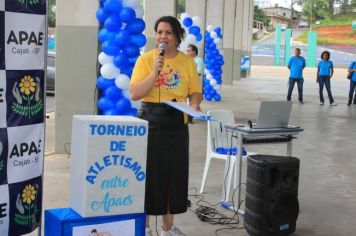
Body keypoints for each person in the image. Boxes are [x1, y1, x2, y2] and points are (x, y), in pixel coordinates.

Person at [130, 16, 202, 236]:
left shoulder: (187, 62)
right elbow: (135, 93)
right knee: (151, 174)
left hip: (178, 120)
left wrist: (195, 105)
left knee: (173, 175)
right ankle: (146, 228)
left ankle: (167, 228)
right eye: (160, 32)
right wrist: (154, 71)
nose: (163, 36)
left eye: (168, 32)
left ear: (177, 36)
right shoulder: (146, 59)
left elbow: (195, 91)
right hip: (152, 119)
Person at [186, 44, 204, 123]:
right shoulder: (186, 60)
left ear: (194, 52)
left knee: (193, 102)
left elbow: (199, 73)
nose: (187, 52)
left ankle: (190, 118)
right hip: (185, 84)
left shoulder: (199, 60)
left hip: (194, 85)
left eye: (189, 51)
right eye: (187, 51)